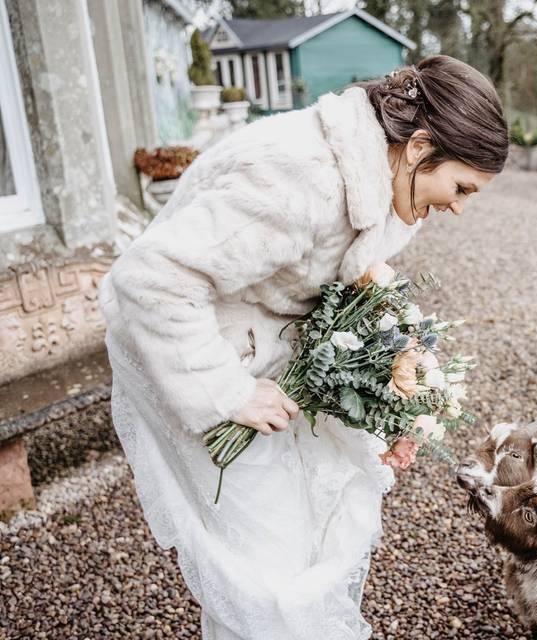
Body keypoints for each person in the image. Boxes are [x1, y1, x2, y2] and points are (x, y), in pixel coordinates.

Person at [99, 55, 508, 639]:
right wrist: (227, 393)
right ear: (419, 148)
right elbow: (151, 280)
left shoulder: (393, 183)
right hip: (181, 346)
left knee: (319, 512)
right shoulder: (298, 177)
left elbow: (351, 285)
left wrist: (397, 396)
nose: (459, 207)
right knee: (267, 553)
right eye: (461, 186)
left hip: (261, 339)